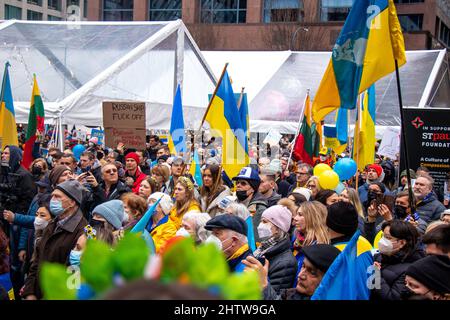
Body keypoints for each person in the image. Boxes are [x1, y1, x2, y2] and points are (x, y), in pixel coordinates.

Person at [22, 180, 88, 300]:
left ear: (72, 202)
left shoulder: (83, 231)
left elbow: (74, 274)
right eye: (52, 196)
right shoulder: (53, 223)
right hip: (37, 292)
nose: (53, 200)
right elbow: (37, 259)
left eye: (57, 197)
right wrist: (30, 291)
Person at [253, 244, 340, 300]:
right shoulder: (291, 294)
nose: (301, 275)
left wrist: (264, 285)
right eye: (303, 266)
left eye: (312, 272)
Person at [371, 220, 425, 300]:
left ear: (402, 243)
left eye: (388, 238)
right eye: (383, 236)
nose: (382, 241)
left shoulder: (410, 269)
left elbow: (393, 297)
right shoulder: (380, 256)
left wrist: (376, 276)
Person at [248, 205, 297, 293]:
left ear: (278, 228)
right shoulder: (263, 247)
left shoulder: (286, 263)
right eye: (261, 221)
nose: (260, 225)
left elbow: (273, 294)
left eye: (264, 222)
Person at [292, 201, 330, 286]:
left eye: (300, 215)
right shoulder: (296, 241)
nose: (295, 218)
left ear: (313, 218)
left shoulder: (320, 249)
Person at [232, 167, 268, 242]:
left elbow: (256, 238)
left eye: (243, 183)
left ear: (252, 188)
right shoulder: (232, 203)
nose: (238, 185)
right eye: (237, 182)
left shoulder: (260, 209)